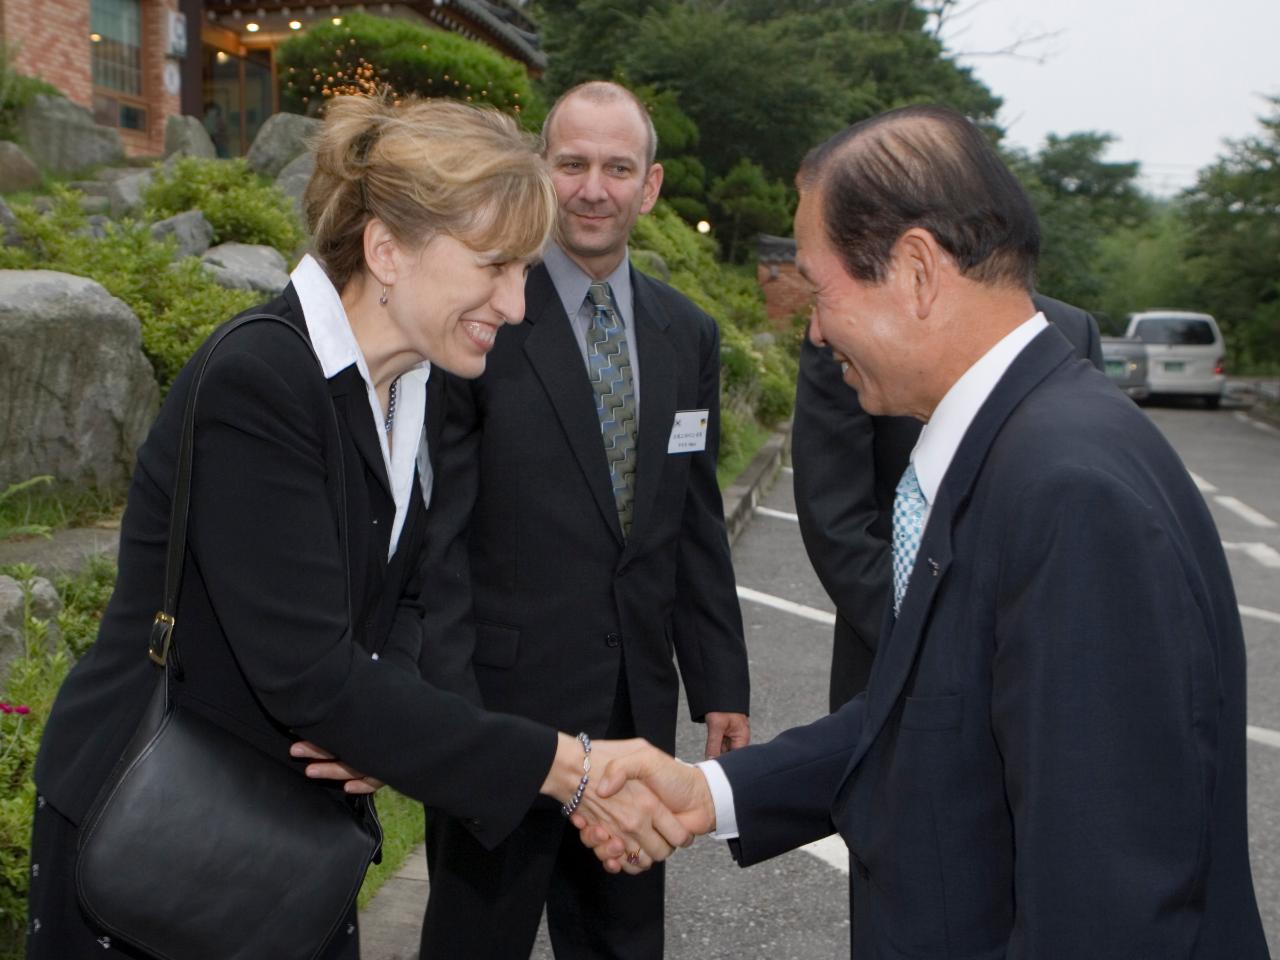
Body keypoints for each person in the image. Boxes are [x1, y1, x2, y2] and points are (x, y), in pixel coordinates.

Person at [579, 104, 1270, 958]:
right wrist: (707, 789)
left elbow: (1105, 904)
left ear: (915, 271)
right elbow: (937, 708)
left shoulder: (1070, 493)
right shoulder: (1016, 441)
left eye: (821, 290)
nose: (817, 328)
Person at [26, 95, 686, 960]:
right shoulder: (261, 382)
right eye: (495, 267)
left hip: (289, 848)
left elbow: (406, 602)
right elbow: (308, 671)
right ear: (386, 251)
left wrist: (382, 725)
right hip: (160, 846)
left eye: (525, 271)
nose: (517, 306)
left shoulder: (416, 387)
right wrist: (570, 769)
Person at [417, 80, 751, 960]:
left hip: (633, 713)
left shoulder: (689, 335)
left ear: (651, 185)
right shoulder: (480, 318)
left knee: (621, 947)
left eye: (617, 167)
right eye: (572, 164)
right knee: (473, 940)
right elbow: (437, 537)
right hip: (501, 713)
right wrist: (450, 716)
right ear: (540, 169)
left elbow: (693, 518)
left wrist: (722, 679)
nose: (592, 188)